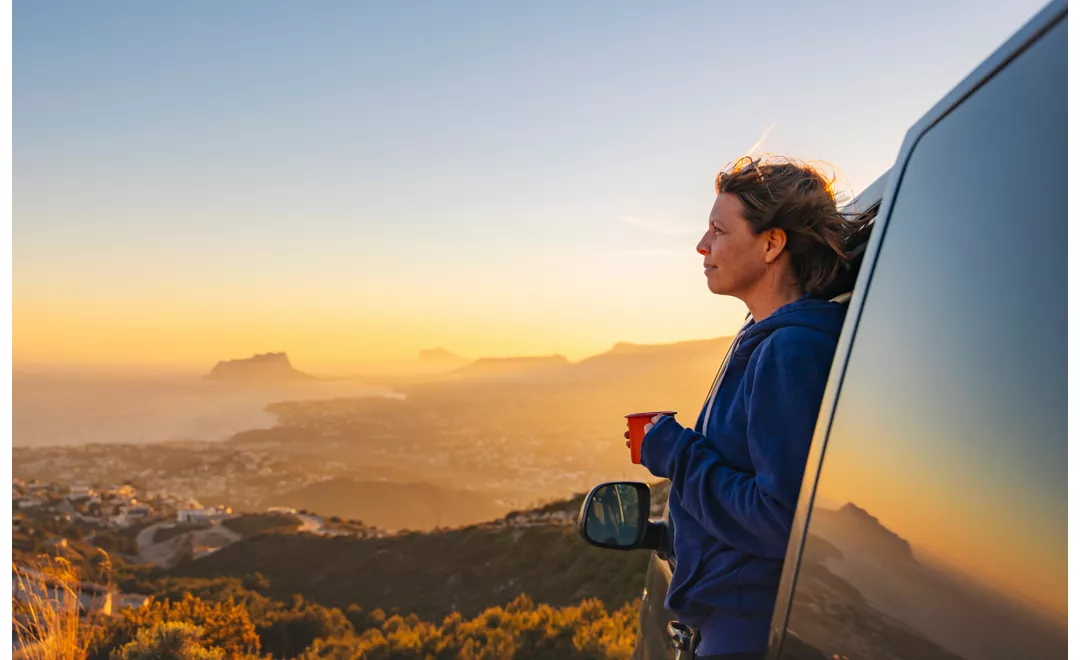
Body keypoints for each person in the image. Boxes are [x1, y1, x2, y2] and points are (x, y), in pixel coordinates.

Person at [634, 156, 872, 659]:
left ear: (771, 244)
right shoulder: (766, 338)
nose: (702, 245)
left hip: (747, 636)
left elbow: (783, 518)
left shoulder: (790, 351)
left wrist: (675, 452)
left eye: (719, 230)